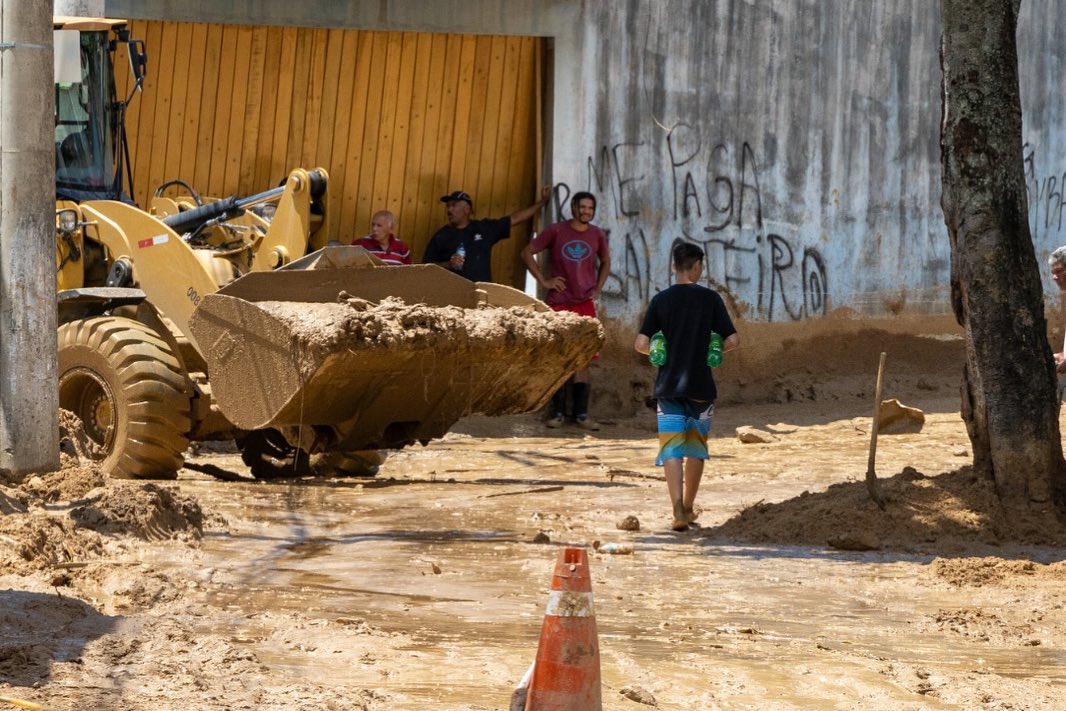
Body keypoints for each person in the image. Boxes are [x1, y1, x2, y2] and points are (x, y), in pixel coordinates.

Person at [634, 242, 739, 532]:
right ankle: (690, 507)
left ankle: (677, 508)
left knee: (671, 449)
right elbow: (732, 341)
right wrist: (714, 349)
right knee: (695, 449)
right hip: (701, 387)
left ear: (673, 266)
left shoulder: (660, 300)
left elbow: (641, 345)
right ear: (697, 267)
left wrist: (658, 350)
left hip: (668, 387)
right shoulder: (711, 299)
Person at [521, 191, 610, 430]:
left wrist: (598, 288)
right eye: (582, 207)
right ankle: (557, 413)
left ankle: (581, 415)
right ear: (573, 207)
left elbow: (606, 262)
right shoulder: (556, 230)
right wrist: (544, 281)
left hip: (584, 304)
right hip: (559, 303)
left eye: (590, 208)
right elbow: (526, 252)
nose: (586, 212)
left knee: (584, 359)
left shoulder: (596, 234)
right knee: (560, 358)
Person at [423, 186, 551, 282]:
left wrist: (542, 202)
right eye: (448, 206)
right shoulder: (441, 236)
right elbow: (426, 268)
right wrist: (448, 264)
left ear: (467, 209)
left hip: (481, 298)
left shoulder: (484, 228)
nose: (449, 210)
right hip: (452, 300)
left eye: (454, 205)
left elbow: (515, 219)